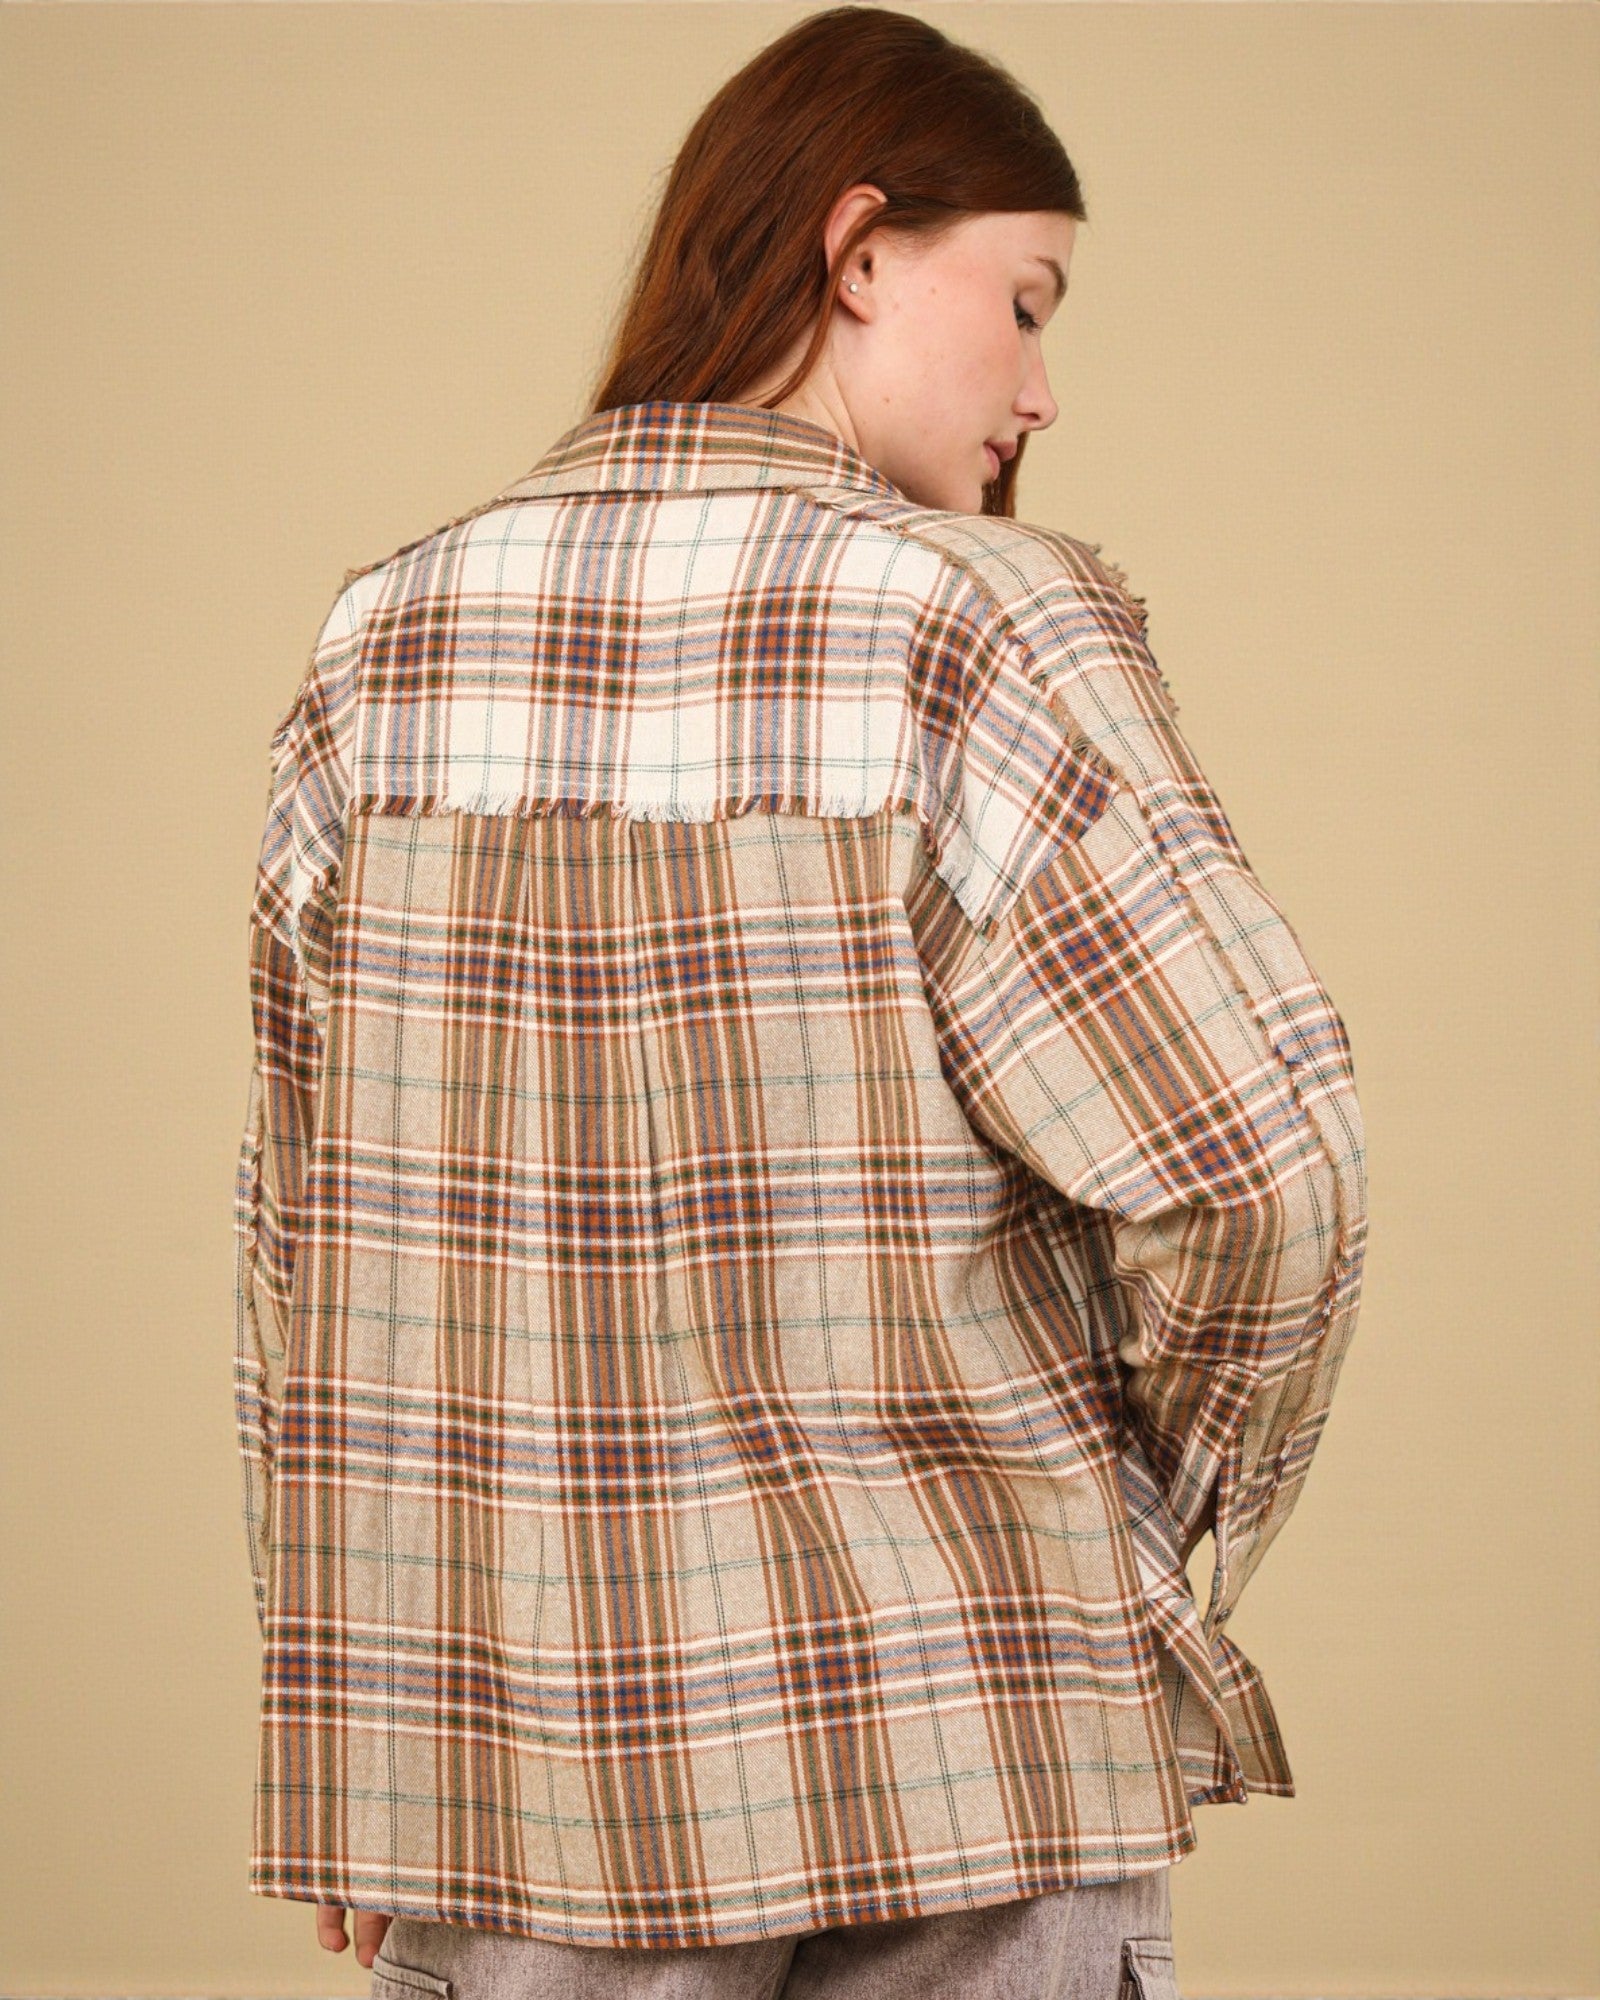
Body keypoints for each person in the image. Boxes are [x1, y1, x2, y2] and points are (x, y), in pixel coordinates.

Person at [232, 8, 1367, 1996]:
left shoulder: (382, 639)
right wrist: (1124, 1531)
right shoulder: (973, 619)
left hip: (517, 1761)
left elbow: (302, 1245)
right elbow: (1260, 1173)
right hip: (969, 1734)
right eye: (1022, 300)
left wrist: (363, 1728)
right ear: (856, 250)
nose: (1038, 384)